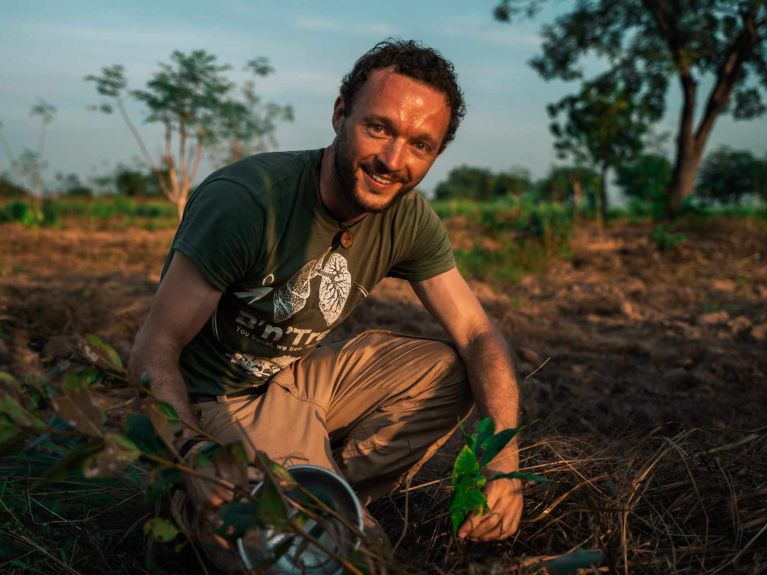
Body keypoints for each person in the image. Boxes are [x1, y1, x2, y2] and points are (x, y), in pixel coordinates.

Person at [128, 38, 523, 570]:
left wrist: (502, 457)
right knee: (358, 560)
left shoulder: (405, 216)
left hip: (295, 379)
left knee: (453, 368)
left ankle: (314, 485)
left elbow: (478, 334)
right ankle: (231, 497)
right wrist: (193, 457)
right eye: (377, 127)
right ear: (341, 115)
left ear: (436, 154)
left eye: (419, 145)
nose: (392, 160)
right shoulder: (248, 202)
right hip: (213, 400)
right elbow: (154, 348)